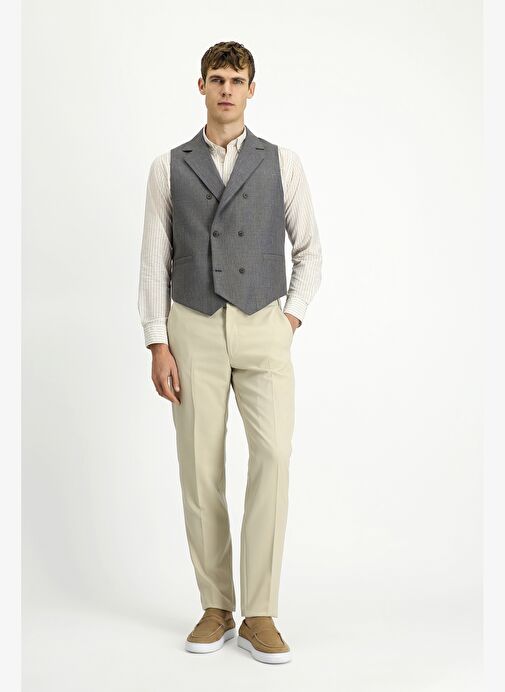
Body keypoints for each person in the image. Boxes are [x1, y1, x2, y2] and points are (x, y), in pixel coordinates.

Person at [137, 41, 322, 664]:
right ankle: (216, 607)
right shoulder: (168, 166)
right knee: (200, 468)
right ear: (201, 86)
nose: (226, 90)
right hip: (191, 326)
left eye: (236, 80)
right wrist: (157, 341)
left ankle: (260, 613)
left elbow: (310, 250)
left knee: (273, 457)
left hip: (264, 323)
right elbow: (154, 259)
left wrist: (289, 318)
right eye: (216, 79)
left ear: (251, 89)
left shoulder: (283, 162)